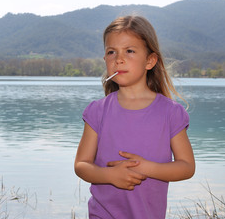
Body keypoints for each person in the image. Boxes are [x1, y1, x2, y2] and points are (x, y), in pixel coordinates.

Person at [74, 15, 195, 219]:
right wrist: (109, 176)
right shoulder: (97, 111)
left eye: (129, 51)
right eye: (111, 52)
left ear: (150, 61)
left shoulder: (170, 113)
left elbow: (186, 167)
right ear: (105, 60)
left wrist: (146, 168)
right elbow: (81, 165)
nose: (118, 59)